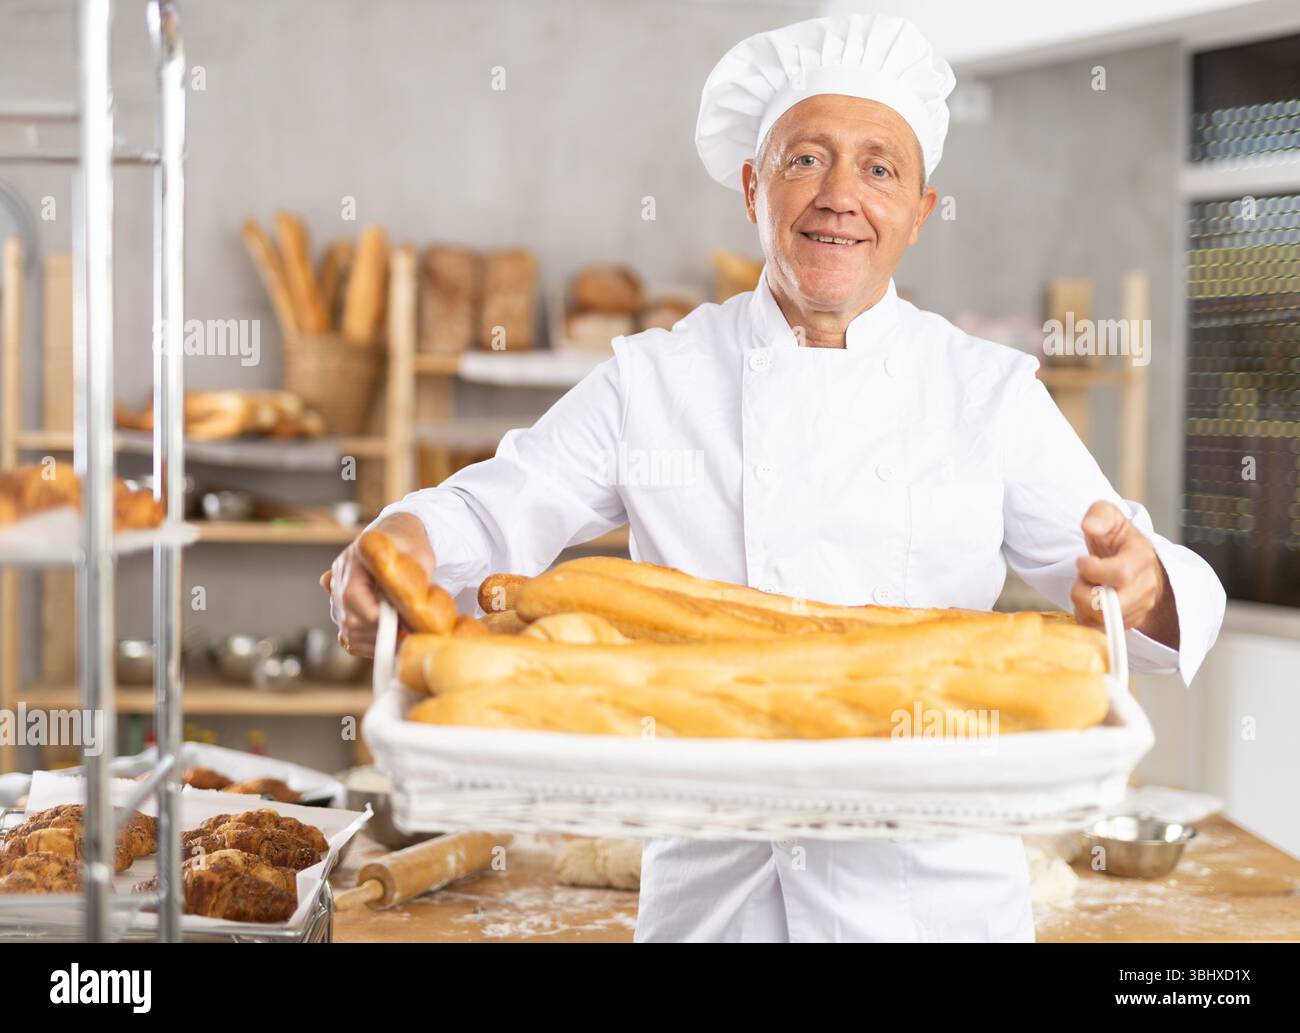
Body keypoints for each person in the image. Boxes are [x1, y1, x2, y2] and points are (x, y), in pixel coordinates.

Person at [324, 12, 1225, 942]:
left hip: (935, 908)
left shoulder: (985, 392)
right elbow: (502, 500)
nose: (841, 195)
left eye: (880, 168)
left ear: (919, 212)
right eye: (807, 159)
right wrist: (402, 541)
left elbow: (1146, 589)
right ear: (754, 185)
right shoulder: (656, 378)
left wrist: (1143, 580)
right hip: (714, 909)